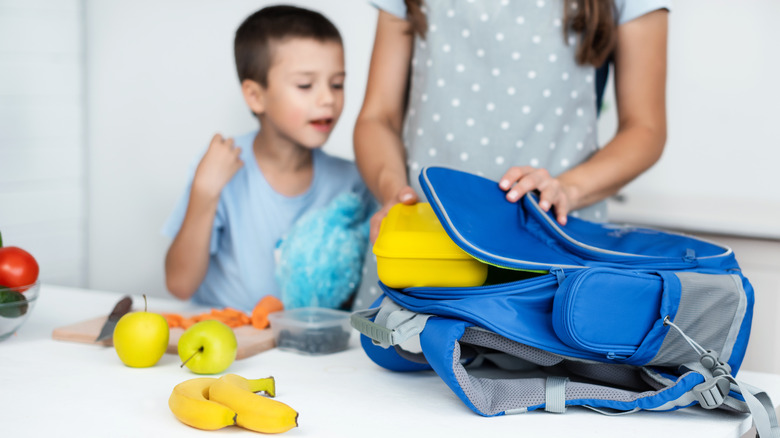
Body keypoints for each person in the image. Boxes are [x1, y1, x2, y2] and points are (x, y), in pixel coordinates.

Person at [351, 0, 669, 309]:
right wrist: (392, 190)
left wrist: (567, 189)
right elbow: (378, 117)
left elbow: (645, 129)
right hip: (423, 251)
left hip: (555, 254)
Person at [163, 5, 369, 312]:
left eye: (337, 84)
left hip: (305, 354)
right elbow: (179, 284)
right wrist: (205, 192)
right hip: (228, 345)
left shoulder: (352, 181)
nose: (328, 98)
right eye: (305, 85)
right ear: (255, 96)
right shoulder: (218, 169)